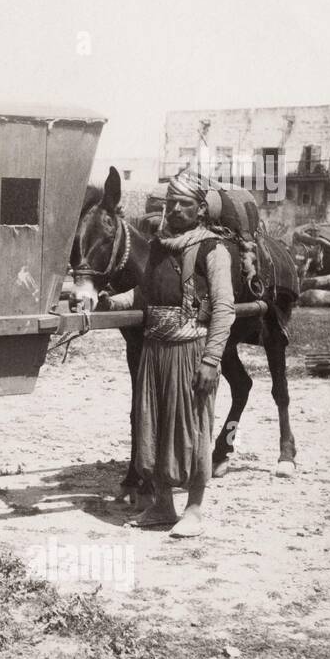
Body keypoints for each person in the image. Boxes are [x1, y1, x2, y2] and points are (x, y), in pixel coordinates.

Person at [101, 171, 236, 538]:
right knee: (154, 427)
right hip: (154, 350)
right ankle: (162, 505)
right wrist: (107, 301)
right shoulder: (160, 246)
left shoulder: (213, 249)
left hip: (190, 351)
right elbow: (141, 297)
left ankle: (193, 509)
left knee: (192, 429)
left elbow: (224, 308)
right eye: (171, 202)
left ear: (201, 209)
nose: (175, 209)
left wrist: (211, 360)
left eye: (185, 204)